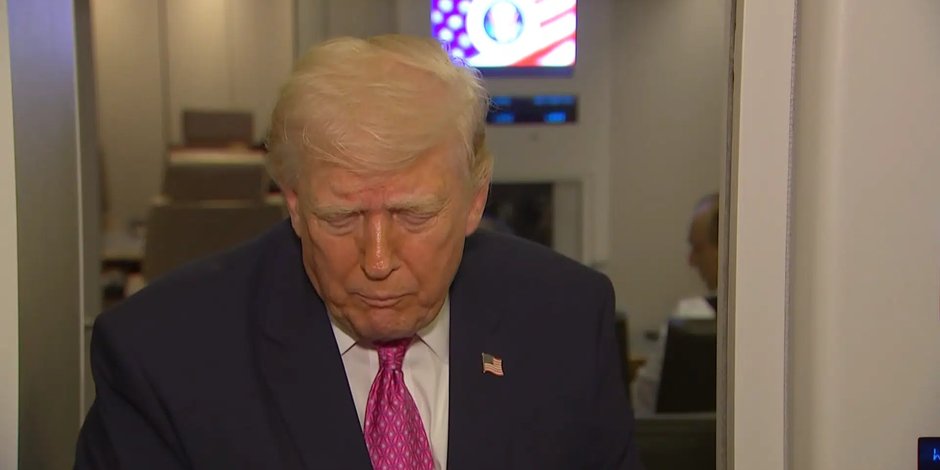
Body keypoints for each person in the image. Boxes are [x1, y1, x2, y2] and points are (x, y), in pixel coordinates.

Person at [75, 35, 641, 469]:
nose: (377, 260)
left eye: (413, 215)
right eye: (340, 217)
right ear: (295, 204)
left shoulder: (566, 319)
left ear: (475, 199)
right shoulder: (160, 358)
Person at [631, 193, 719, 416]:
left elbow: (643, 402)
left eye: (698, 248)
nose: (691, 261)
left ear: (725, 247)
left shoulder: (691, 315)